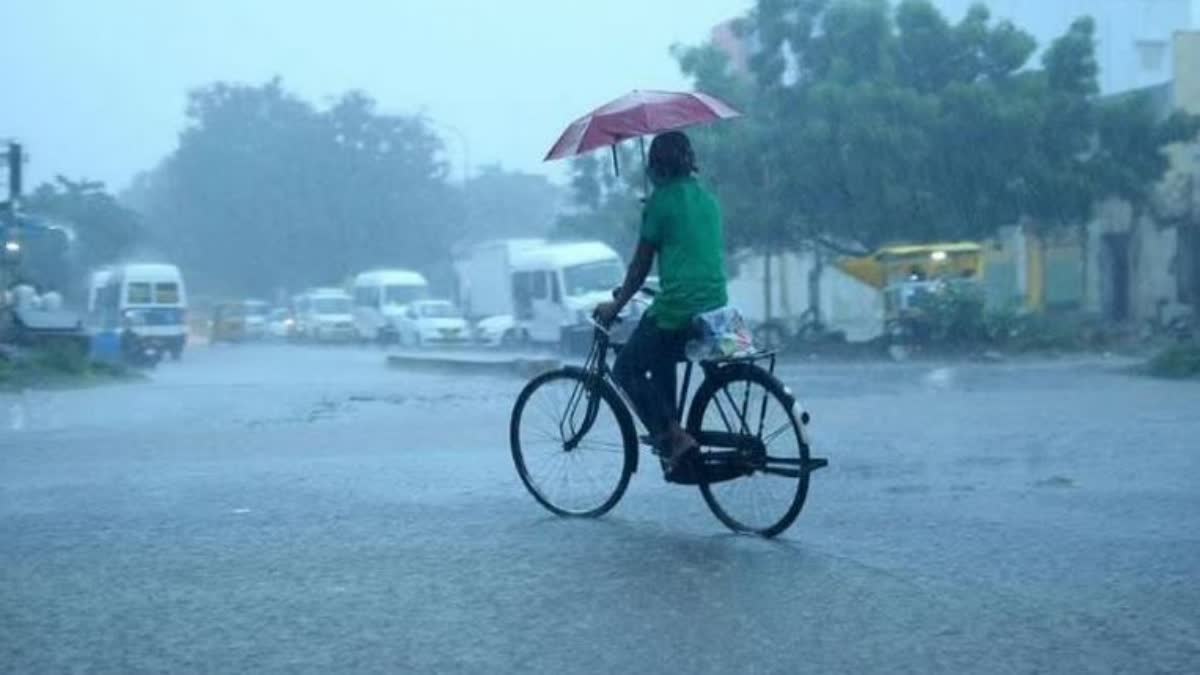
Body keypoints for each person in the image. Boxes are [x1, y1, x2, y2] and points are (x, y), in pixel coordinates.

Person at [594, 131, 728, 469]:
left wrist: (615, 307)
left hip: (679, 310)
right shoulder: (708, 200)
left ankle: (674, 436)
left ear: (656, 165)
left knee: (625, 367)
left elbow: (639, 269)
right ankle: (672, 433)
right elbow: (691, 252)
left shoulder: (661, 204)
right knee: (657, 348)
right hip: (715, 306)